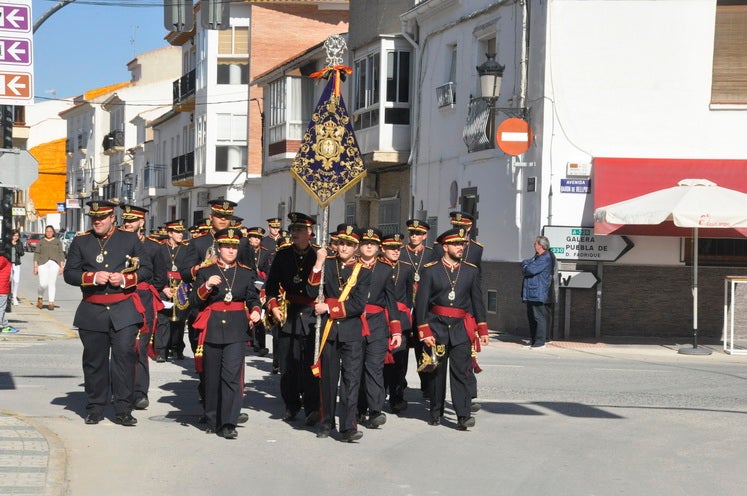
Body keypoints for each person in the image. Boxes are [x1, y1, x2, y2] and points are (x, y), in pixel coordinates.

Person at [63, 200, 152, 426]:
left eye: (102, 218)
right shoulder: (81, 241)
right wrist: (91, 278)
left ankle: (123, 409)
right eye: (94, 218)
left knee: (123, 359)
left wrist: (125, 278)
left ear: (113, 217)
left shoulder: (129, 238)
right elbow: (70, 273)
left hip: (123, 309)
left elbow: (147, 269)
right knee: (94, 362)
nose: (98, 222)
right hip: (92, 310)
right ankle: (95, 407)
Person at [415, 227, 489, 431]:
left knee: (462, 373)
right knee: (437, 373)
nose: (461, 248)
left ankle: (463, 415)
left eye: (463, 244)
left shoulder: (471, 270)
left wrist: (482, 329)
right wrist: (424, 331)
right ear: (445, 246)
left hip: (460, 329)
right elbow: (421, 304)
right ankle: (435, 411)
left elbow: (477, 301)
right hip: (437, 327)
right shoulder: (430, 270)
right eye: (456, 244)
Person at [191, 227, 261, 439]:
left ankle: (229, 422)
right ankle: (212, 417)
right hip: (212, 327)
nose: (231, 250)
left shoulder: (247, 272)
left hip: (236, 328)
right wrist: (206, 286)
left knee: (231, 376)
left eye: (234, 247)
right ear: (218, 248)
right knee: (212, 376)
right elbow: (194, 301)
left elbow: (253, 298)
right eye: (226, 247)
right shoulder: (206, 271)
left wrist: (257, 311)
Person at [310, 224, 371, 442]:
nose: (344, 248)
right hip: (329, 331)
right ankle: (326, 422)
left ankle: (348, 426)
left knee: (351, 380)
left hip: (351, 331)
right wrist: (317, 263)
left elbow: (357, 305)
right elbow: (311, 290)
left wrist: (329, 307)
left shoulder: (363, 272)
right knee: (327, 379)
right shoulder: (326, 264)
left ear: (356, 247)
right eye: (342, 243)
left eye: (349, 244)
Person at [264, 212, 320, 425]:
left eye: (299, 230)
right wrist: (272, 306)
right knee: (288, 365)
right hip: (288, 313)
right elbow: (270, 286)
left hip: (311, 315)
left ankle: (313, 406)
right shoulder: (283, 255)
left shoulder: (319, 255)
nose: (293, 233)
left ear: (310, 233)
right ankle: (291, 404)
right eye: (293, 230)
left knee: (310, 364)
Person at [119, 204, 168, 410]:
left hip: (144, 300)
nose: (128, 224)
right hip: (120, 299)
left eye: (133, 220)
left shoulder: (154, 247)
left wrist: (145, 289)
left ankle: (140, 393)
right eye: (126, 220)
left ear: (142, 222)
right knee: (122, 348)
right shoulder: (116, 244)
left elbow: (160, 277)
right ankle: (121, 391)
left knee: (140, 348)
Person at [356, 227, 402, 428]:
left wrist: (396, 329)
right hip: (354, 321)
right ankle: (357, 408)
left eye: (373, 244)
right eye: (366, 243)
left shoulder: (385, 269)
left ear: (378, 247)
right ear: (359, 246)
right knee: (355, 367)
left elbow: (391, 301)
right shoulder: (350, 265)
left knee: (374, 367)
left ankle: (375, 410)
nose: (369, 246)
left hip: (377, 324)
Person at [380, 233, 415, 413]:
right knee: (380, 361)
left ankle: (397, 397)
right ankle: (378, 396)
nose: (395, 251)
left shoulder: (407, 268)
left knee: (399, 362)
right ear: (383, 249)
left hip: (400, 320)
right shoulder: (377, 266)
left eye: (398, 248)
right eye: (391, 248)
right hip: (380, 318)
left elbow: (409, 296)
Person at [521, 235, 555, 349]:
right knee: (531, 318)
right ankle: (534, 341)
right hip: (531, 293)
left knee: (539, 317)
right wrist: (526, 265)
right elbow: (526, 262)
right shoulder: (537, 257)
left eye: (535, 243)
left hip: (538, 292)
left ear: (541, 245)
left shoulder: (545, 257)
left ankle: (540, 342)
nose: (534, 245)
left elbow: (530, 269)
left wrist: (526, 266)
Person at [245, 226, 271, 356]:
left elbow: (268, 271)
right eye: (253, 237)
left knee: (259, 315)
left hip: (259, 287)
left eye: (258, 238)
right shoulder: (244, 251)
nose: (255, 240)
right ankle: (247, 340)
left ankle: (260, 345)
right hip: (246, 284)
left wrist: (264, 287)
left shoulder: (265, 253)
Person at [33, 225, 66, 310]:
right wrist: (35, 266)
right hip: (42, 264)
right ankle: (40, 297)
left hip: (54, 264)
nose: (49, 233)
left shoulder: (57, 242)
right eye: (47, 231)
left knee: (52, 283)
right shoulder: (41, 242)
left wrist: (62, 266)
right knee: (43, 284)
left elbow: (61, 254)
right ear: (45, 232)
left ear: (53, 232)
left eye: (50, 231)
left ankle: (51, 302)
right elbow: (36, 254)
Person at [0, 245, 17, 333]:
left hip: (3, 289)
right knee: (1, 308)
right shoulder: (7, 262)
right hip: (3, 290)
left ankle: (5, 325)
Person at [9, 229, 24, 306]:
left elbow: (22, 253)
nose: (15, 237)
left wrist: (15, 246)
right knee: (9, 280)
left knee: (16, 280)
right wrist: (11, 245)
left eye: (17, 236)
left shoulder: (19, 243)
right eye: (14, 235)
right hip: (8, 264)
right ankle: (8, 296)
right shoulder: (8, 243)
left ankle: (14, 297)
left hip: (16, 264)